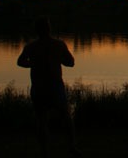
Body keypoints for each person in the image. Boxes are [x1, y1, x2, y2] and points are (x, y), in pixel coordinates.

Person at [17, 17, 81, 157]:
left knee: (41, 120)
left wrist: (31, 64)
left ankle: (44, 151)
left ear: (36, 30)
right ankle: (71, 147)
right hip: (55, 87)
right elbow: (70, 62)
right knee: (66, 117)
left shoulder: (31, 46)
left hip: (38, 87)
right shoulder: (59, 44)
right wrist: (59, 58)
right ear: (49, 29)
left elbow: (20, 62)